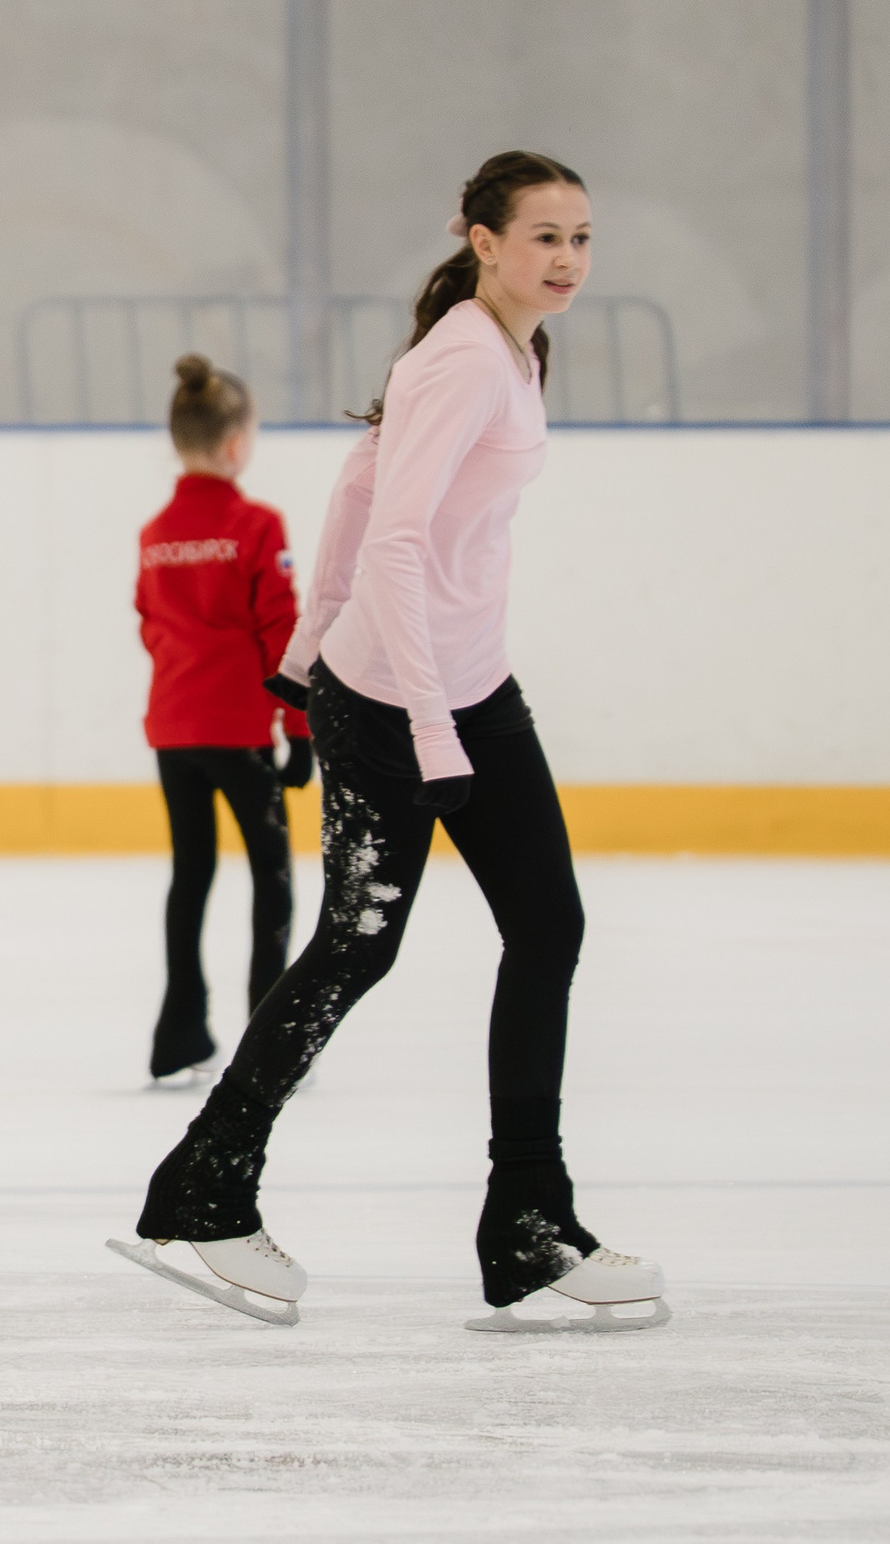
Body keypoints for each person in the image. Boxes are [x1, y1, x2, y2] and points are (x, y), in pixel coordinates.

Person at [110, 151, 666, 1334]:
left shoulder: (508, 347)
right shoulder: (465, 356)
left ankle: (525, 1216)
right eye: (541, 238)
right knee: (355, 949)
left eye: (580, 238)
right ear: (480, 239)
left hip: (466, 685)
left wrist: (301, 654)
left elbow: (361, 483)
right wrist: (404, 712)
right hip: (408, 702)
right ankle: (208, 1186)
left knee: (546, 923)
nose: (564, 259)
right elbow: (400, 541)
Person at [134, 354, 311, 1089]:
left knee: (192, 875)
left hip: (175, 731)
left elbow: (150, 623)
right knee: (272, 877)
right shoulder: (257, 524)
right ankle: (267, 1034)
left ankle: (180, 1027)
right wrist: (300, 733)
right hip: (240, 733)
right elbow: (281, 630)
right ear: (236, 443)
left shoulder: (155, 531)